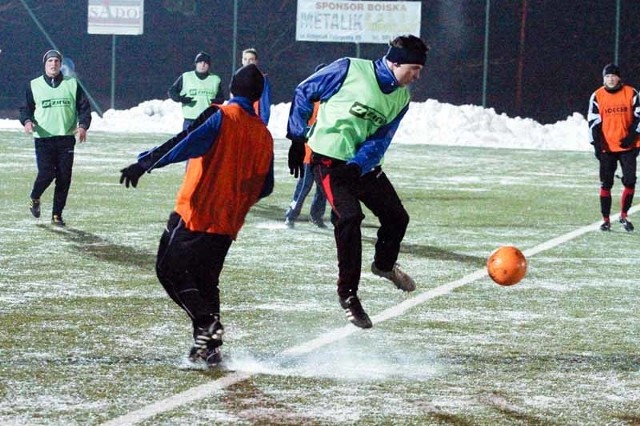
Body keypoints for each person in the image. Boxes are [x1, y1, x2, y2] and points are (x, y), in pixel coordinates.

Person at [119, 64, 274, 368]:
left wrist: (144, 164)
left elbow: (183, 141)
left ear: (231, 88)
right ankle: (210, 350)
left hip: (196, 212)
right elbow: (265, 186)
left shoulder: (221, 115)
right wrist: (237, 200)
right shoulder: (264, 135)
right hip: (228, 223)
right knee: (205, 282)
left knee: (169, 270)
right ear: (256, 97)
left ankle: (207, 325)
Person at [286, 34, 428, 329]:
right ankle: (348, 296)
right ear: (396, 61)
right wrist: (298, 137)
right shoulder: (348, 68)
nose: (417, 75)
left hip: (360, 167)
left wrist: (358, 165)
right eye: (414, 68)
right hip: (328, 161)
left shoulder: (401, 97)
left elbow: (380, 140)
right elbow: (304, 91)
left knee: (397, 218)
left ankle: (384, 266)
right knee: (349, 218)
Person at [19, 49, 92, 227]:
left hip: (66, 138)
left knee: (64, 177)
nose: (53, 64)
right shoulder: (34, 85)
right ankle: (35, 197)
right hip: (43, 138)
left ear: (61, 64)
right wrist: (27, 122)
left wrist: (83, 126)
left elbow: (84, 108)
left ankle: (57, 215)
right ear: (45, 64)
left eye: (57, 61)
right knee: (46, 173)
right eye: (50, 61)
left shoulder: (72, 84)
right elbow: (25, 109)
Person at [588, 63, 639, 232]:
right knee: (606, 184)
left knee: (630, 181)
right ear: (604, 79)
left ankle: (624, 215)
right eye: (607, 76)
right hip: (607, 148)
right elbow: (593, 123)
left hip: (628, 146)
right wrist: (596, 145)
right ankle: (606, 219)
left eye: (613, 76)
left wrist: (632, 136)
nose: (610, 79)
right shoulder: (597, 96)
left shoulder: (632, 93)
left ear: (619, 77)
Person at [285, 64, 329, 229]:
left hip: (326, 151)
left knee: (323, 188)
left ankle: (316, 216)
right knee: (304, 186)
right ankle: (291, 214)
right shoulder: (310, 99)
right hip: (309, 151)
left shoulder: (332, 100)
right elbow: (300, 122)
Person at [168, 51, 225, 130]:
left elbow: (221, 98)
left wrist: (216, 101)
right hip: (190, 120)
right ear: (196, 64)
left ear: (209, 65)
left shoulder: (215, 79)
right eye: (200, 62)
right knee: (189, 142)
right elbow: (171, 91)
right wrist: (181, 98)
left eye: (205, 62)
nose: (203, 64)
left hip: (208, 120)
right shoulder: (186, 77)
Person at [241, 48, 271, 125]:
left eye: (251, 59)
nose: (247, 62)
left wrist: (264, 121)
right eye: (245, 59)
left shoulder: (262, 78)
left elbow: (265, 102)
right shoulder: (237, 78)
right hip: (240, 119)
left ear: (256, 61)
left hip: (255, 119)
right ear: (242, 61)